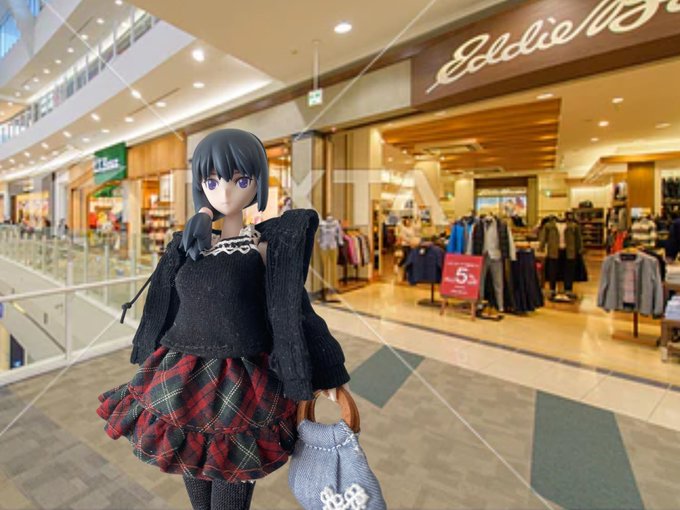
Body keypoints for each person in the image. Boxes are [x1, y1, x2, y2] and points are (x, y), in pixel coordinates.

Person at [96, 129, 351, 510]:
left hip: (241, 379)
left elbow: (294, 310)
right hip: (184, 376)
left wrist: (328, 373)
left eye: (241, 180)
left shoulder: (262, 247)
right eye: (212, 182)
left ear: (259, 183)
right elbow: (164, 304)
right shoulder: (189, 246)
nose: (226, 193)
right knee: (193, 468)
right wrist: (200, 220)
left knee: (230, 485)